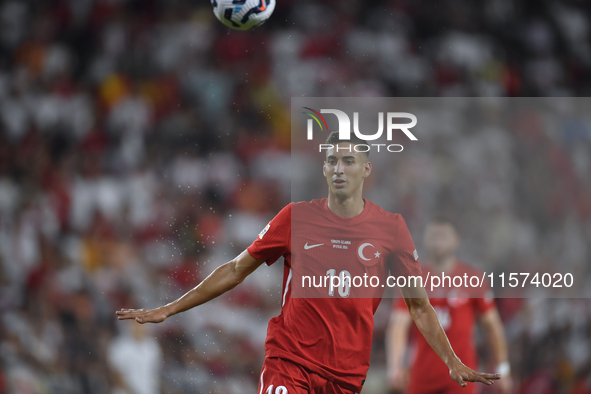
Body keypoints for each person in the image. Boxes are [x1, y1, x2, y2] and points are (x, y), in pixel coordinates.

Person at [116, 131, 501, 393]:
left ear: (366, 169)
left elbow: (419, 305)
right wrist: (169, 309)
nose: (338, 168)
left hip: (346, 375)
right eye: (331, 160)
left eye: (348, 161)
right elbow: (235, 270)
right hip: (291, 360)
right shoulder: (296, 217)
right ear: (323, 168)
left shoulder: (391, 230)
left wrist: (451, 360)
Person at [387, 215, 512, 394]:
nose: (438, 242)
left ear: (456, 240)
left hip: (463, 377)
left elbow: (492, 326)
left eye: (443, 236)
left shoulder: (473, 278)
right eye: (434, 236)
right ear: (425, 239)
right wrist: (395, 367)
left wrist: (503, 368)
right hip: (422, 376)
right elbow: (398, 326)